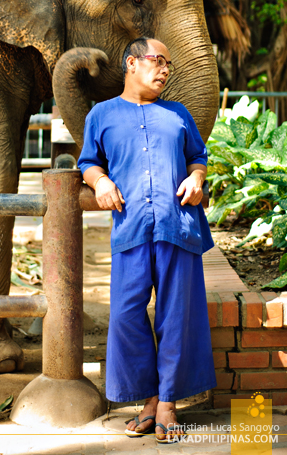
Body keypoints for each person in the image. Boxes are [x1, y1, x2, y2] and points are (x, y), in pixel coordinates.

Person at [77, 37, 216, 443]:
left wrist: (196, 177)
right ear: (131, 63)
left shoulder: (178, 113)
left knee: (178, 316)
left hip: (178, 227)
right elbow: (89, 160)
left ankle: (167, 405)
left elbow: (198, 156)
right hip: (131, 227)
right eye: (158, 61)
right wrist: (100, 181)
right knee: (125, 316)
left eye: (169, 64)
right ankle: (149, 397)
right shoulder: (102, 115)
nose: (165, 70)